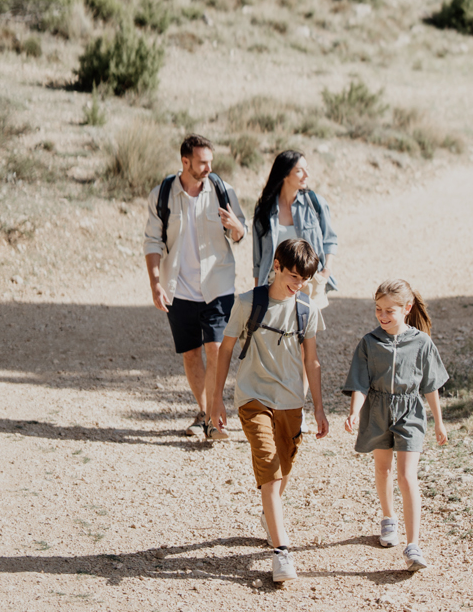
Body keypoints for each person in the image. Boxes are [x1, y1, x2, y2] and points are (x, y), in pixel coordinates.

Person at [210, 238, 330, 583]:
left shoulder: (306, 310)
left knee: (284, 468)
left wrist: (319, 408)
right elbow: (225, 350)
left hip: (291, 400)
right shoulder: (248, 303)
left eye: (304, 279)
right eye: (294, 276)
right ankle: (282, 553)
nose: (298, 284)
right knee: (271, 468)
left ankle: (269, 513)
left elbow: (312, 360)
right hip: (253, 398)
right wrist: (216, 399)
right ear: (276, 265)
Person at [143, 134, 247, 439]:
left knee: (215, 348)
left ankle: (215, 418)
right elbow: (152, 241)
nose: (208, 167)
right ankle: (203, 413)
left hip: (217, 286)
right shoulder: (161, 195)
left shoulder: (221, 190)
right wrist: (155, 283)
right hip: (179, 289)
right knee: (190, 354)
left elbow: (241, 232)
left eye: (210, 161)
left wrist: (236, 228)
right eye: (202, 162)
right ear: (185, 161)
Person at [344, 279, 449, 572]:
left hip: (410, 412)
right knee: (383, 469)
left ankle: (413, 545)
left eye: (389, 310)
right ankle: (388, 519)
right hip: (377, 411)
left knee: (406, 476)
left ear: (407, 308)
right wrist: (355, 412)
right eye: (378, 309)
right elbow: (360, 384)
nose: (383, 316)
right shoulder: (369, 342)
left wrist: (439, 422)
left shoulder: (422, 343)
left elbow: (430, 386)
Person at [253, 150, 337, 309]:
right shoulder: (264, 209)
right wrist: (258, 293)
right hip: (275, 282)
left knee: (307, 332)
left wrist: (325, 272)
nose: (307, 175)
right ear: (284, 174)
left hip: (310, 281)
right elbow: (258, 258)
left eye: (307, 169)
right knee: (278, 331)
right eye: (299, 171)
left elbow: (330, 240)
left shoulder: (316, 203)